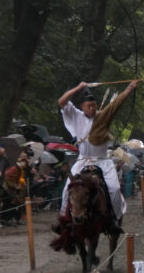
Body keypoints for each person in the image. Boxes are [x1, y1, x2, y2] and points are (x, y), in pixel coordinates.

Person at [55, 80, 138, 235]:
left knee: (114, 189)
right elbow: (62, 101)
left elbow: (116, 103)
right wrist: (79, 87)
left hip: (103, 161)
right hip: (83, 159)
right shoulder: (75, 115)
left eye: (94, 105)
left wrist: (129, 88)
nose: (92, 108)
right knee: (67, 189)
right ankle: (64, 221)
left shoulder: (102, 116)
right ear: (82, 107)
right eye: (89, 106)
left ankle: (115, 220)